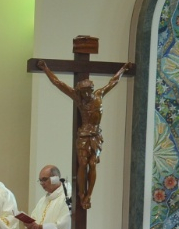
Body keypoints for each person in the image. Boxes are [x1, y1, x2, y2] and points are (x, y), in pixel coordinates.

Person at [38, 60, 131, 209]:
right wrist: (45, 69)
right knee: (82, 164)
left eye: (89, 91)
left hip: (96, 136)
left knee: (92, 164)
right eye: (83, 92)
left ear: (92, 89)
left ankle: (89, 194)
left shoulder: (99, 95)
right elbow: (58, 83)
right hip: (83, 136)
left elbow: (113, 82)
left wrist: (123, 69)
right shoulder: (78, 99)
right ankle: (82, 193)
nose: (86, 94)